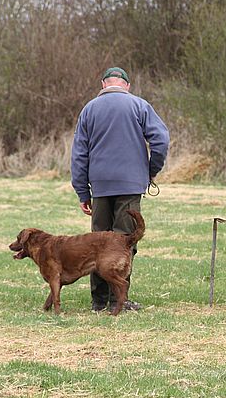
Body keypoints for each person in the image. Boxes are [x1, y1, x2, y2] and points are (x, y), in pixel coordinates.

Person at [71, 66, 170, 312]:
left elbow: (79, 154)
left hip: (100, 186)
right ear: (127, 85)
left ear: (103, 85)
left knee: (97, 243)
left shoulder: (89, 109)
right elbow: (161, 140)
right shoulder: (139, 105)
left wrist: (82, 191)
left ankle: (99, 301)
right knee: (124, 241)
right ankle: (119, 300)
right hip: (130, 184)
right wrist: (151, 170)